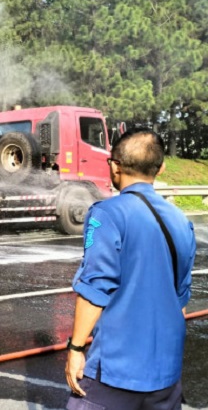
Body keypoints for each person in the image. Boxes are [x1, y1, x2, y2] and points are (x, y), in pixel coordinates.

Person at [65, 128, 196, 409]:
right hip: (166, 374)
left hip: (116, 371)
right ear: (160, 168)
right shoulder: (182, 221)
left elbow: (95, 287)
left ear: (114, 166)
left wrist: (75, 349)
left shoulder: (107, 214)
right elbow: (181, 299)